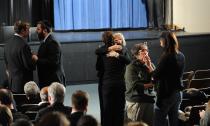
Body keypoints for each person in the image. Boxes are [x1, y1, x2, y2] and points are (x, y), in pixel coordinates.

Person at [96, 31, 130, 126]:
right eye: (116, 39)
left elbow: (98, 67)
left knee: (108, 110)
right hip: (118, 84)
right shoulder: (121, 50)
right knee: (118, 109)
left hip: (107, 84)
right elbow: (128, 61)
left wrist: (115, 54)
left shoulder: (104, 51)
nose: (118, 41)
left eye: (120, 39)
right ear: (112, 41)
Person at [153, 31, 185, 126]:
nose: (160, 42)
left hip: (166, 94)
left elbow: (156, 75)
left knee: (159, 121)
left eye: (161, 40)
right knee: (174, 122)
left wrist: (148, 66)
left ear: (165, 41)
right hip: (178, 93)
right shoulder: (181, 55)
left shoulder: (166, 57)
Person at [125, 43, 155, 126]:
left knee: (149, 124)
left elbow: (157, 79)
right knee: (135, 124)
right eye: (143, 51)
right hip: (136, 100)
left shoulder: (150, 65)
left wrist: (149, 67)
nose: (146, 53)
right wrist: (151, 84)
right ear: (136, 54)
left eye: (147, 51)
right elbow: (135, 85)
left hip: (149, 99)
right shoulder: (131, 67)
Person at [4, 20, 36, 93]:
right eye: (28, 30)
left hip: (12, 83)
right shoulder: (24, 45)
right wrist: (33, 58)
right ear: (22, 30)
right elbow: (29, 65)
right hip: (23, 84)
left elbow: (7, 63)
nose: (29, 32)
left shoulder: (8, 43)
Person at [32, 20, 65, 88]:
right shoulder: (46, 41)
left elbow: (53, 62)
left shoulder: (52, 42)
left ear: (45, 31)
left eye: (38, 29)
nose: (36, 31)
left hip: (53, 82)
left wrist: (37, 60)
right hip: (48, 80)